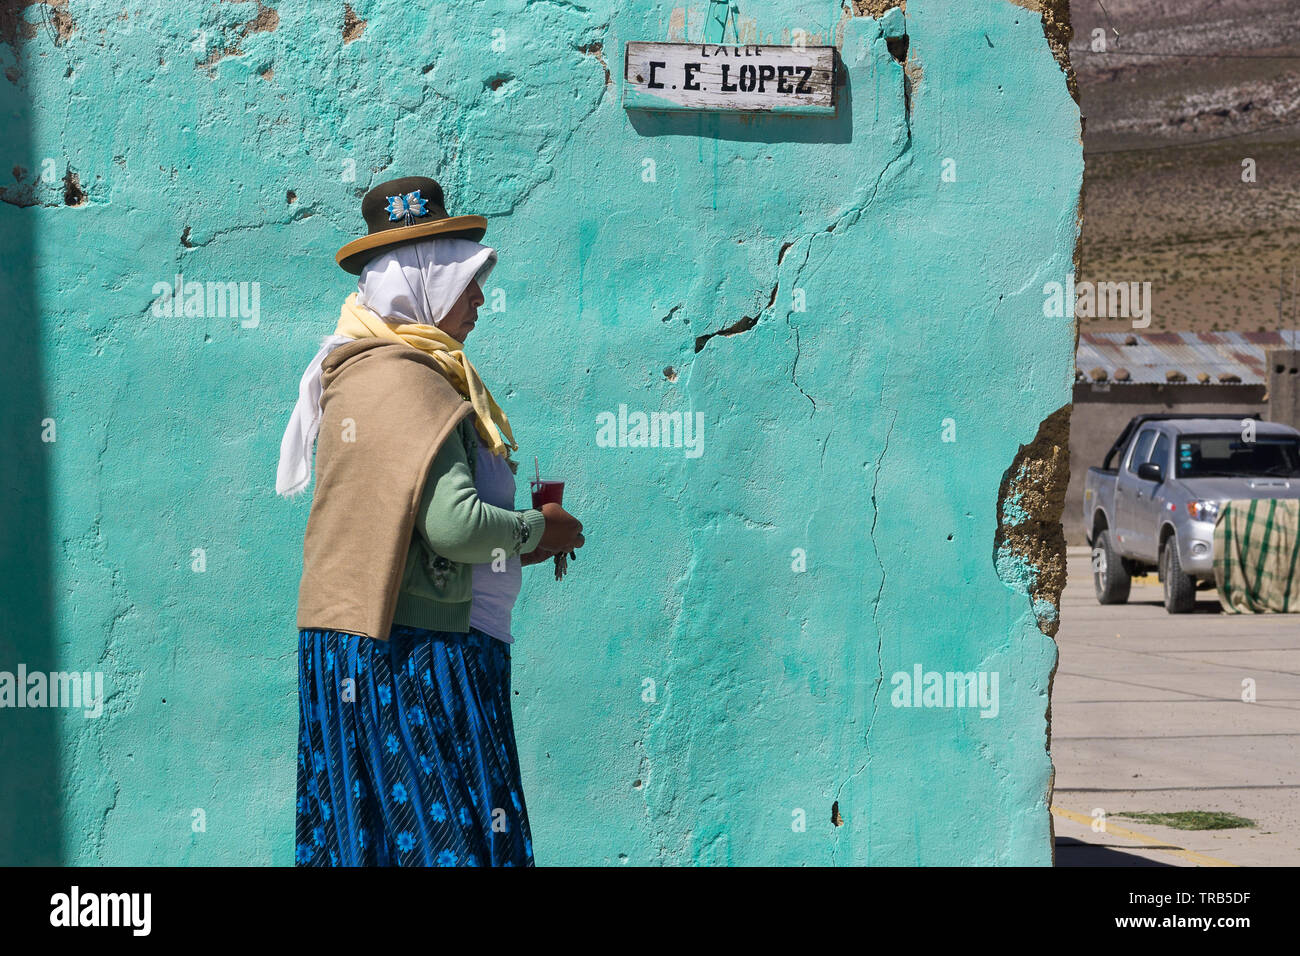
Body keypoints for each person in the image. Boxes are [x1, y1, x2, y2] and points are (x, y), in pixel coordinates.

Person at [276, 176, 584, 866]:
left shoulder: (364, 365)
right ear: (425, 282)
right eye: (466, 281)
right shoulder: (408, 377)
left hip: (365, 646)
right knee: (447, 841)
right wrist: (543, 533)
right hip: (411, 657)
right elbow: (454, 527)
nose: (478, 298)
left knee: (372, 841)